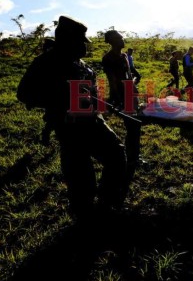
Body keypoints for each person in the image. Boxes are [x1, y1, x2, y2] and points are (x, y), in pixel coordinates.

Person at [17, 16, 131, 219]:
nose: (84, 47)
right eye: (79, 42)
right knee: (80, 175)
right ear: (66, 40)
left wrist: (99, 102)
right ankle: (84, 220)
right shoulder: (45, 62)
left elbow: (91, 92)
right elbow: (24, 94)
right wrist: (62, 100)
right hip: (68, 126)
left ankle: (107, 204)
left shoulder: (80, 63)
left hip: (93, 121)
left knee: (116, 155)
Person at [102, 30, 143, 173]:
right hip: (123, 95)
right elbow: (112, 81)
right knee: (132, 126)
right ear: (112, 41)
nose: (122, 39)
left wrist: (134, 81)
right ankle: (131, 159)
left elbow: (132, 74)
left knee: (136, 126)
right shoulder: (108, 59)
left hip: (131, 93)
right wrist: (118, 100)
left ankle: (134, 156)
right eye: (119, 37)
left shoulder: (125, 56)